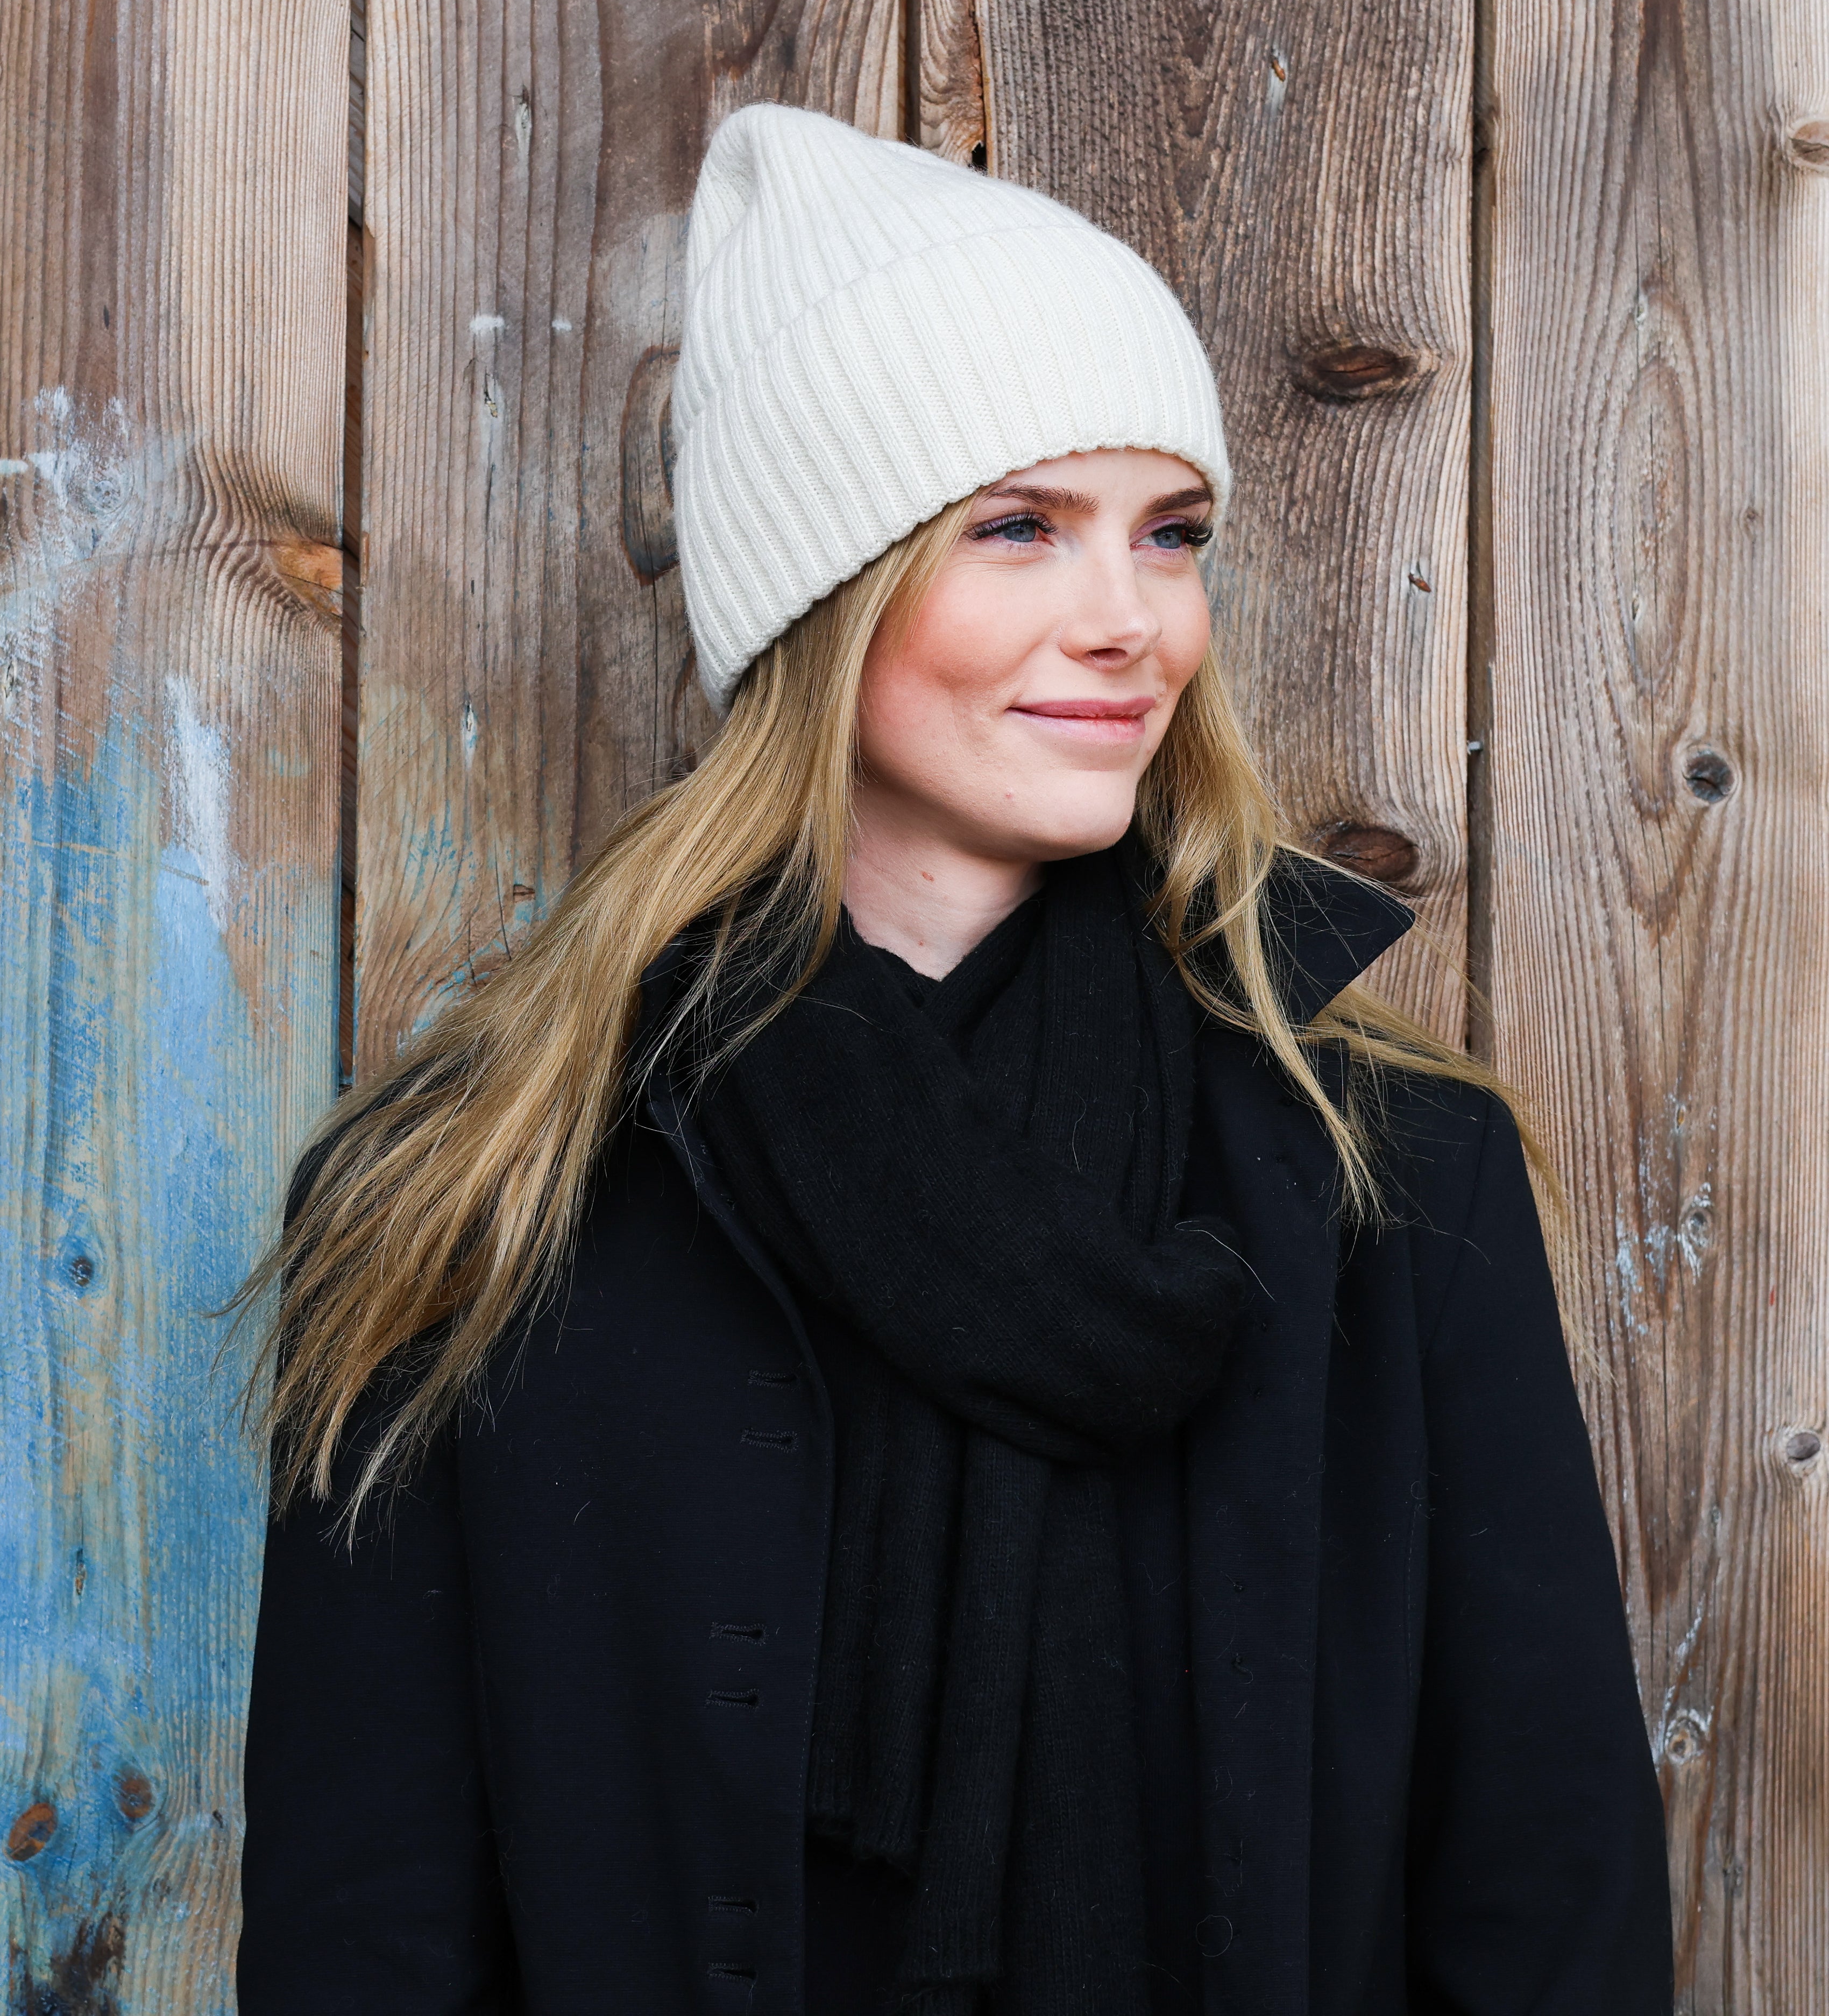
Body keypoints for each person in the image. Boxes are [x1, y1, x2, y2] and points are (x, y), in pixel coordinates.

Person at [236, 105, 1672, 2016]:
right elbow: (365, 1937)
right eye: (1018, 529)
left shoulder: (1387, 1166)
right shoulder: (479, 1187)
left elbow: (1550, 1898)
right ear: (827, 594)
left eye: (1171, 537)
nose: (1131, 624)